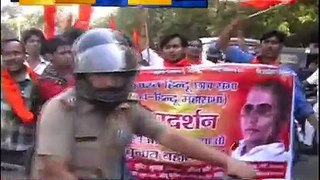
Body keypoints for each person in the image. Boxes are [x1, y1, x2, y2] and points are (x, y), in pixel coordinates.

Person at [32, 28, 256, 180]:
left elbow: (168, 136)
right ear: (83, 75)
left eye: (119, 75)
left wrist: (226, 162)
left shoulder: (127, 107)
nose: (112, 82)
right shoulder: (61, 109)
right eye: (102, 75)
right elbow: (54, 170)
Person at [215, 19, 318, 135]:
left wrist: (316, 127)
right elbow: (221, 45)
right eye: (267, 42)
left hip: (276, 133)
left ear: (281, 47)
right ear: (261, 45)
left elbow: (302, 106)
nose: (269, 46)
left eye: (274, 43)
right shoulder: (247, 62)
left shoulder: (286, 74)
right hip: (243, 129)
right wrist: (232, 26)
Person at [1, 39, 41, 177]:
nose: (11, 57)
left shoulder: (37, 83)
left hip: (23, 152)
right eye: (7, 54)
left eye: (16, 53)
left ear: (25, 55)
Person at [232, 80, 291, 162]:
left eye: (263, 111)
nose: (252, 119)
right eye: (248, 109)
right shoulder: (236, 145)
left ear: (282, 119)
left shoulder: (278, 159)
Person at [38, 37, 75, 101]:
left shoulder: (79, 72)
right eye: (62, 53)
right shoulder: (46, 79)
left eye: (69, 52)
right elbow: (64, 100)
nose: (68, 56)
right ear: (49, 56)